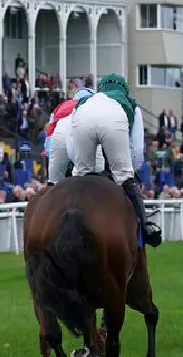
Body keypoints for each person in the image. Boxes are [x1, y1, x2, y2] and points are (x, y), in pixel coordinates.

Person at [67, 73, 160, 247]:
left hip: (82, 117)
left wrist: (84, 169)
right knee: (125, 175)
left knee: (80, 177)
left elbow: (71, 151)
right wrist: (128, 170)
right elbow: (137, 152)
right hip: (114, 117)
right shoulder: (130, 104)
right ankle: (146, 227)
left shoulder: (85, 101)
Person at [43, 88, 100, 184]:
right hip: (83, 145)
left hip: (60, 144)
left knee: (54, 182)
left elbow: (50, 136)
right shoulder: (94, 107)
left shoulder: (60, 107)